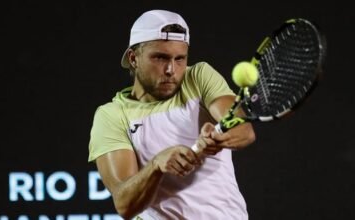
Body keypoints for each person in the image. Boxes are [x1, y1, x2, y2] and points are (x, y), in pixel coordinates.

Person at [88, 9, 255, 220]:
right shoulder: (111, 115)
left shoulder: (198, 77)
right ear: (133, 58)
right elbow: (125, 204)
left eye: (180, 59)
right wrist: (156, 165)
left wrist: (219, 138)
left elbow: (244, 130)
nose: (171, 69)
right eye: (160, 57)